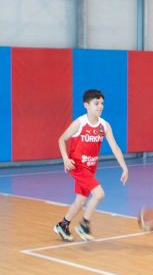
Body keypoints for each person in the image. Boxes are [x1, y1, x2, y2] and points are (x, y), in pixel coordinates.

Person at [53, 89, 129, 242]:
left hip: (91, 167)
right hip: (78, 166)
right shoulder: (79, 123)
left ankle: (62, 225)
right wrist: (65, 159)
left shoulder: (104, 125)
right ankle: (84, 225)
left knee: (80, 200)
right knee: (99, 194)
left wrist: (124, 167)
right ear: (86, 105)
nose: (100, 106)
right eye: (96, 103)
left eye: (102, 103)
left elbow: (115, 147)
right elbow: (61, 139)